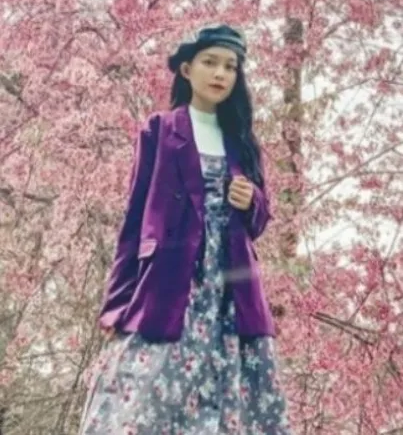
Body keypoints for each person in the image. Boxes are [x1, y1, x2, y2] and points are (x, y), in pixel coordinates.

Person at [77, 24, 293, 434]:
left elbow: (259, 223)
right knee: (143, 396)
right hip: (169, 283)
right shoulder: (160, 130)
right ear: (187, 69)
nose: (220, 74)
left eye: (230, 66)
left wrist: (253, 202)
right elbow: (134, 219)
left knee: (233, 399)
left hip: (231, 289)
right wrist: (116, 306)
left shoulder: (242, 140)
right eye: (210, 63)